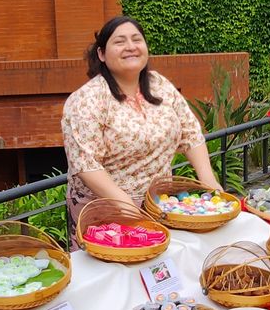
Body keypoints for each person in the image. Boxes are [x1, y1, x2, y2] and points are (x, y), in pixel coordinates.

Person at [61, 16, 224, 230]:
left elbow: (190, 134)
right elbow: (86, 163)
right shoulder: (87, 99)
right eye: (119, 42)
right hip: (106, 213)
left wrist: (209, 182)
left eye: (136, 39)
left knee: (162, 262)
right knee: (119, 263)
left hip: (160, 204)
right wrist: (126, 206)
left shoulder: (160, 84)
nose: (130, 47)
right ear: (101, 53)